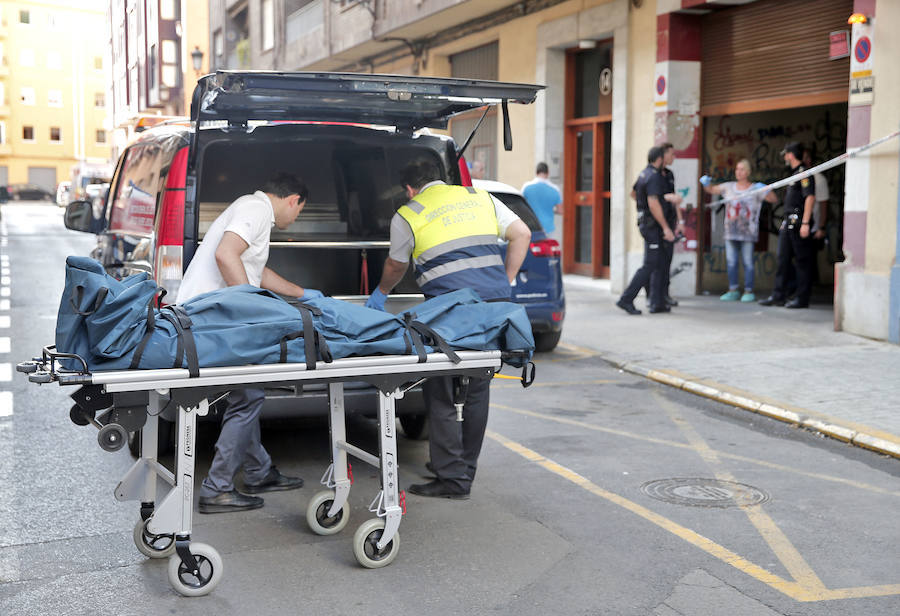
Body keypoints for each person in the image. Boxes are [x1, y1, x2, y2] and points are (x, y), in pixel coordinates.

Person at [365, 159, 531, 499]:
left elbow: (397, 265)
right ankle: (463, 468)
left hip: (450, 310)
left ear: (410, 189)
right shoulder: (479, 196)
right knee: (478, 386)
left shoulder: (408, 213)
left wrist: (381, 293)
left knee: (440, 387)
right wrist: (507, 280)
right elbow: (522, 234)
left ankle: (451, 479)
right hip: (492, 306)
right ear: (440, 180)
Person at [176, 173, 320, 513]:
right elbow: (226, 256)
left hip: (209, 316)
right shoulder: (255, 208)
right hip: (211, 318)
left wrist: (303, 293)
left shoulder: (255, 213)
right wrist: (250, 307)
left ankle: (258, 470)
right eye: (299, 211)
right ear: (293, 200)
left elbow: (255, 270)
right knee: (249, 395)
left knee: (245, 393)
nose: (296, 218)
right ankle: (218, 489)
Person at [700, 159, 777, 302]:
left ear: (748, 172)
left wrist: (766, 189)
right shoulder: (729, 187)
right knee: (731, 262)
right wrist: (706, 183)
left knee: (748, 262)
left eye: (742, 169)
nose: (738, 172)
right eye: (737, 169)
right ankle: (733, 289)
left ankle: (748, 291)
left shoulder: (755, 189)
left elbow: (773, 199)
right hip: (731, 232)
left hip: (748, 233)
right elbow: (711, 190)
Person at [616, 146, 673, 315]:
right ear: (660, 159)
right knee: (650, 265)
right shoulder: (654, 176)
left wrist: (642, 209)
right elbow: (654, 203)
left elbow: (633, 193)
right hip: (652, 227)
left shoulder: (644, 173)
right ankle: (626, 299)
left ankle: (657, 301)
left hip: (645, 224)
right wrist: (665, 227)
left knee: (657, 262)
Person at [759, 142, 816, 309]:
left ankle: (801, 298)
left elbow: (810, 197)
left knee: (802, 262)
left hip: (799, 223)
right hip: (788, 222)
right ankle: (778, 295)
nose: (784, 157)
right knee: (783, 259)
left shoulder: (804, 173)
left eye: (786, 154)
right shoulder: (793, 174)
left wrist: (805, 222)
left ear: (791, 154)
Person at [521, 162, 562, 238]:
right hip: (548, 228)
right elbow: (560, 210)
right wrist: (551, 210)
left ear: (536, 172)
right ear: (548, 173)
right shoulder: (555, 189)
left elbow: (521, 205)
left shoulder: (526, 187)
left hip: (531, 226)